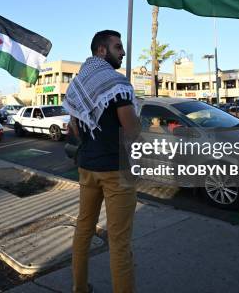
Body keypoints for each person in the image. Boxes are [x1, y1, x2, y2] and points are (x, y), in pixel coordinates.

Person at [63, 30, 141, 293]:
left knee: (83, 229)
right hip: (117, 170)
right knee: (119, 243)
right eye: (118, 47)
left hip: (87, 166)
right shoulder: (115, 83)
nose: (123, 52)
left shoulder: (78, 84)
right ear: (101, 51)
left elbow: (73, 129)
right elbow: (131, 128)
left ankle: (79, 287)